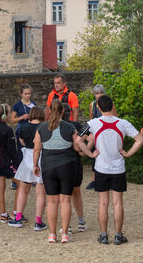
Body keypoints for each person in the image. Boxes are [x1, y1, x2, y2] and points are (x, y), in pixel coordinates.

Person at [33, 101, 96, 243]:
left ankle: (52, 234)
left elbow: (37, 148)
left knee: (52, 201)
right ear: (63, 112)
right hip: (67, 166)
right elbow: (77, 147)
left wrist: (35, 164)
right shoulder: (70, 127)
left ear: (48, 112)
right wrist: (90, 152)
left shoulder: (41, 128)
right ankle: (65, 234)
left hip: (48, 166)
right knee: (65, 200)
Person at [86, 95, 143, 246]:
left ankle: (104, 235)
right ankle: (118, 235)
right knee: (118, 203)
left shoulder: (93, 123)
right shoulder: (123, 123)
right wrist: (128, 153)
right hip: (118, 168)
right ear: (113, 105)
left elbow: (78, 139)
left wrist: (89, 153)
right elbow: (141, 139)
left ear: (98, 108)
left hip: (101, 167)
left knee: (103, 203)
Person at [9, 106, 47, 230]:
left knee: (23, 190)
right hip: (41, 158)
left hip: (27, 158)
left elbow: (22, 142)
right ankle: (38, 221)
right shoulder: (44, 127)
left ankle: (18, 217)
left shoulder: (23, 127)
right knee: (40, 193)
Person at [63, 102, 88, 234]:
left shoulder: (54, 126)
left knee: (63, 195)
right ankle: (80, 221)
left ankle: (66, 225)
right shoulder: (76, 126)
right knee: (76, 192)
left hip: (61, 162)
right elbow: (90, 136)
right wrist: (85, 151)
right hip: (75, 161)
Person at [85, 84, 106, 190]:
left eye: (101, 93)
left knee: (106, 156)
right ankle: (94, 180)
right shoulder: (92, 104)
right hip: (96, 133)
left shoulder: (108, 104)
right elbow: (91, 120)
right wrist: (90, 134)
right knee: (95, 155)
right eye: (97, 93)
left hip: (106, 133)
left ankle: (106, 180)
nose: (99, 95)